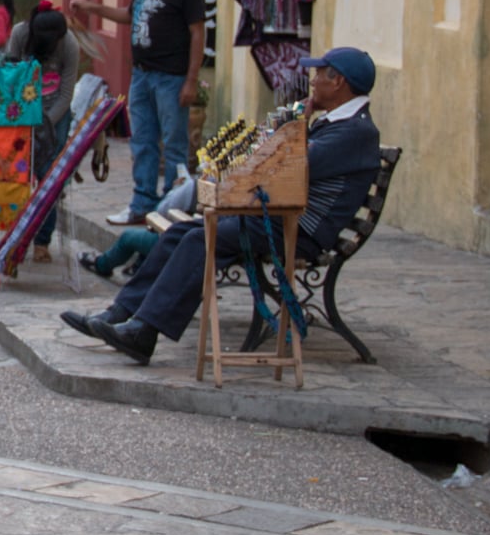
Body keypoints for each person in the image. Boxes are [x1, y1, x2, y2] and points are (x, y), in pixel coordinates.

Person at [60, 47, 382, 365]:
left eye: (319, 75)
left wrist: (296, 121)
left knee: (200, 238)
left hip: (297, 230)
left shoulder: (355, 132)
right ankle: (121, 312)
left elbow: (285, 164)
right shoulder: (341, 124)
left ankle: (145, 332)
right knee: (181, 232)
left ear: (338, 81)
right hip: (277, 218)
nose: (312, 82)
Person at [68, 0, 207, 226]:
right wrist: (92, 8)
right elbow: (130, 15)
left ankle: (173, 208)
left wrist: (191, 80)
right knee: (141, 141)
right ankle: (142, 205)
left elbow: (198, 32)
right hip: (142, 76)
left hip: (171, 77)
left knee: (174, 145)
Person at [4, 3, 80, 262]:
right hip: (21, 112)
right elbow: (9, 76)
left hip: (54, 117)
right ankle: (16, 237)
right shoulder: (19, 34)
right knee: (17, 175)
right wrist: (23, 118)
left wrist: (45, 123)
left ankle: (42, 241)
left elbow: (67, 93)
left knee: (49, 181)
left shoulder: (69, 44)